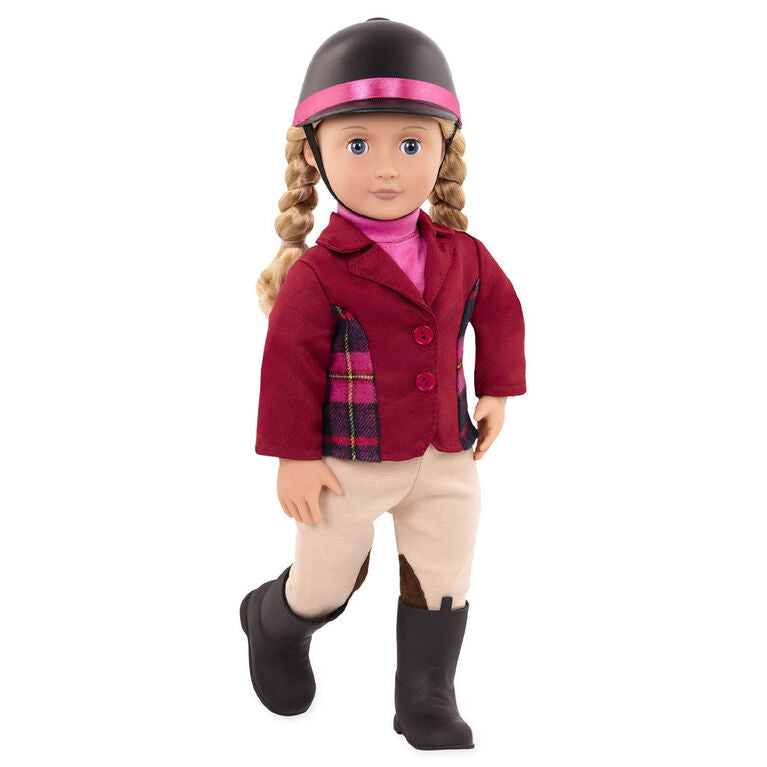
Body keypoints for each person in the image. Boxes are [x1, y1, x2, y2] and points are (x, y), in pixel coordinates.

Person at [240, 18, 526, 751]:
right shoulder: (317, 273)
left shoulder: (463, 253)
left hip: (446, 454)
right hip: (346, 464)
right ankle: (275, 621)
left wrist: (496, 389)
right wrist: (293, 456)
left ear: (443, 149)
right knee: (326, 578)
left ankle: (426, 695)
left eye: (411, 144)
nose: (388, 169)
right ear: (316, 152)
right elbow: (288, 366)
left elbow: (499, 311)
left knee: (444, 570)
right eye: (358, 145)